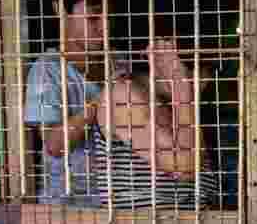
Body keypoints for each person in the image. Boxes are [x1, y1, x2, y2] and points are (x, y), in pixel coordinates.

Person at [24, 0, 113, 207]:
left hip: (118, 204)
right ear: (60, 10)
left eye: (108, 15)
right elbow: (54, 145)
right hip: (68, 208)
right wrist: (104, 102)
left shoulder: (117, 61)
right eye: (94, 16)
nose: (105, 26)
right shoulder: (48, 70)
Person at [92, 37, 219, 209]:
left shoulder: (174, 101)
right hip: (147, 223)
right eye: (204, 70)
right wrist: (181, 85)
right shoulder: (124, 94)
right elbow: (184, 166)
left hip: (189, 220)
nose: (206, 82)